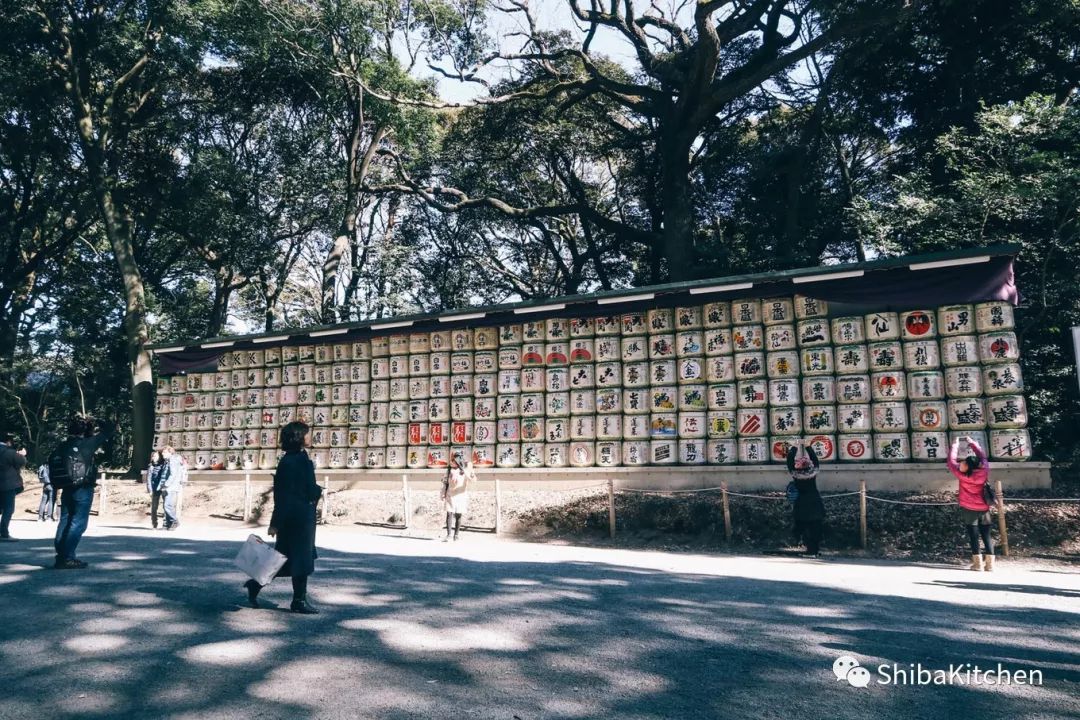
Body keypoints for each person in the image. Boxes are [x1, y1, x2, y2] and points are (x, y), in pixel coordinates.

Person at [244, 421, 322, 614]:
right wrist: (275, 524)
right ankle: (298, 601)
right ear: (298, 437)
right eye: (306, 434)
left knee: (290, 560)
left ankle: (256, 586)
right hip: (294, 520)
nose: (309, 437)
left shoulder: (302, 458)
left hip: (304, 518)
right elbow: (283, 495)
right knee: (296, 560)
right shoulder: (289, 462)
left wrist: (315, 491)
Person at [53, 416, 114, 569]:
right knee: (78, 522)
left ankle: (62, 555)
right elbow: (110, 429)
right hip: (83, 487)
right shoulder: (88, 444)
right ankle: (67, 557)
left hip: (66, 487)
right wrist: (95, 420)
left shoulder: (62, 445)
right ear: (86, 430)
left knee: (65, 520)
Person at [947, 435, 995, 571]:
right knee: (986, 535)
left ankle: (978, 564)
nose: (962, 463)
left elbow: (951, 461)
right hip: (984, 508)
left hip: (969, 509)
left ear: (968, 467)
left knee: (973, 536)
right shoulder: (984, 471)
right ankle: (990, 564)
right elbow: (983, 457)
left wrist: (955, 444)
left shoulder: (961, 474)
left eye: (964, 463)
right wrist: (972, 443)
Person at [786, 440, 824, 558]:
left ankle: (809, 550)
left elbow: (789, 460)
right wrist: (808, 446)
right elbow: (815, 460)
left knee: (805, 526)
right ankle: (815, 550)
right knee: (815, 526)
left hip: (802, 503)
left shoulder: (795, 474)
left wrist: (795, 446)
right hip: (815, 502)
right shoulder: (813, 473)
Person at [441, 454, 476, 542]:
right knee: (449, 513)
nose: (451, 462)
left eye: (453, 460)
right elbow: (445, 482)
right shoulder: (449, 471)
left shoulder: (465, 471)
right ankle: (449, 534)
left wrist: (468, 471)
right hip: (450, 494)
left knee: (458, 515)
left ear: (457, 461)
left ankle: (456, 535)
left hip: (461, 495)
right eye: (451, 460)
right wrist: (442, 493)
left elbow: (473, 480)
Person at [0, 433, 28, 541]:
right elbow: (22, 462)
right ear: (8, 442)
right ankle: (4, 532)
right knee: (8, 509)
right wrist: (22, 455)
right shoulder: (9, 452)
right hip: (7, 485)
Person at [160, 447, 187, 530]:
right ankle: (168, 523)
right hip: (166, 486)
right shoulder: (167, 461)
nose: (163, 454)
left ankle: (174, 521)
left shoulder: (173, 460)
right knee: (166, 506)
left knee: (168, 505)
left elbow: (173, 474)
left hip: (171, 487)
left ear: (170, 453)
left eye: (164, 452)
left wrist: (167, 484)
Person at [146, 450, 170, 529]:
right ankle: (154, 523)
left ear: (159, 457)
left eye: (155, 456)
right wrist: (150, 490)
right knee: (154, 507)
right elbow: (148, 479)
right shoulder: (151, 466)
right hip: (154, 488)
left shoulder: (164, 465)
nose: (154, 457)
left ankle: (165, 523)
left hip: (162, 487)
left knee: (165, 506)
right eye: (153, 456)